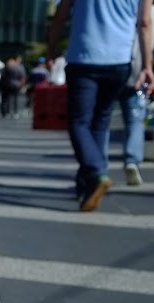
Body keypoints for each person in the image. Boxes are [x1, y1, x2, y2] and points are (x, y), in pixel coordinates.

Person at [48, 0, 154, 211]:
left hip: (84, 58)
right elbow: (144, 22)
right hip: (119, 62)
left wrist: (51, 48)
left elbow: (60, 16)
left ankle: (96, 173)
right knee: (101, 121)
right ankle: (90, 184)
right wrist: (147, 66)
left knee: (79, 122)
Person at [118, 0, 154, 186]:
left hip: (112, 65)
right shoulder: (149, 13)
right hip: (138, 72)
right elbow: (146, 26)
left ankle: (97, 170)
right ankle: (131, 160)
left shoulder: (123, 8)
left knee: (101, 117)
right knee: (135, 120)